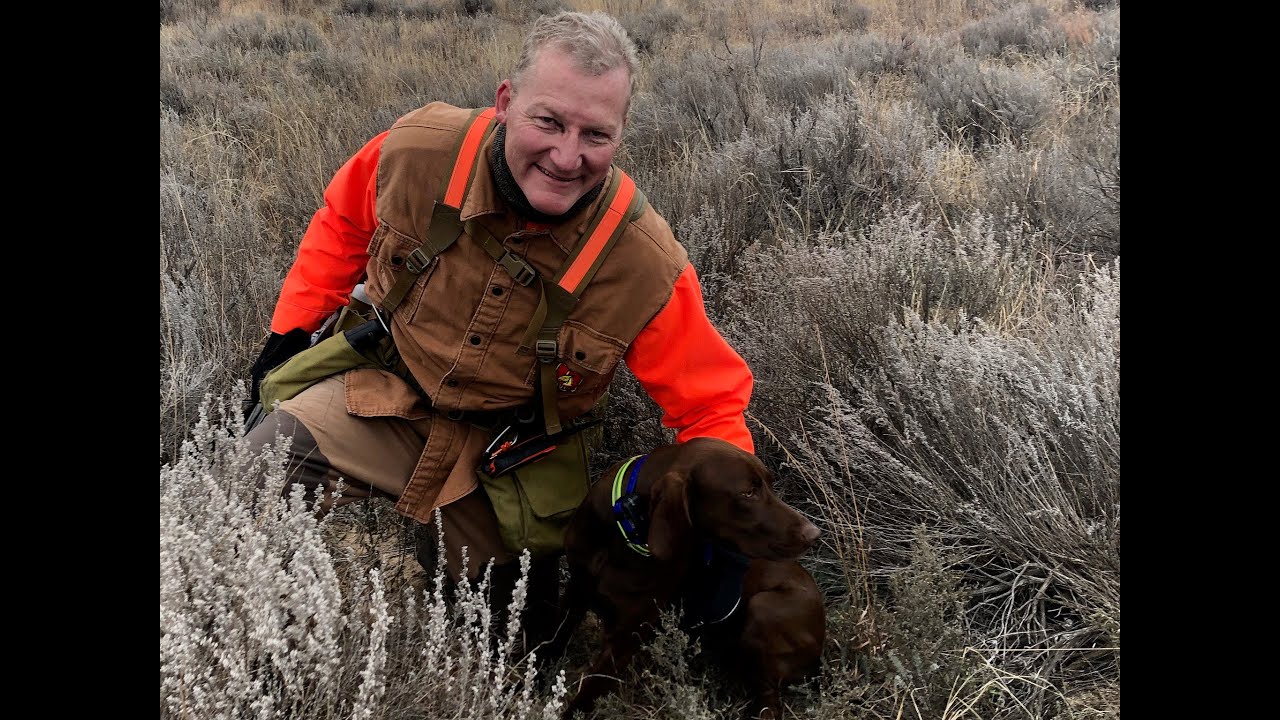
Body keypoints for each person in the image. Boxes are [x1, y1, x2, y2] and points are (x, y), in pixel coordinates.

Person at [244, 10, 754, 648]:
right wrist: (289, 335)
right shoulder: (416, 150)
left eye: (596, 134)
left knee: (520, 651)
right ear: (506, 103)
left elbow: (708, 401)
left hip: (508, 459)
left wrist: (723, 536)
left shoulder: (644, 263)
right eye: (548, 121)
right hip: (383, 395)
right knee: (246, 481)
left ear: (621, 135)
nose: (567, 157)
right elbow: (344, 221)